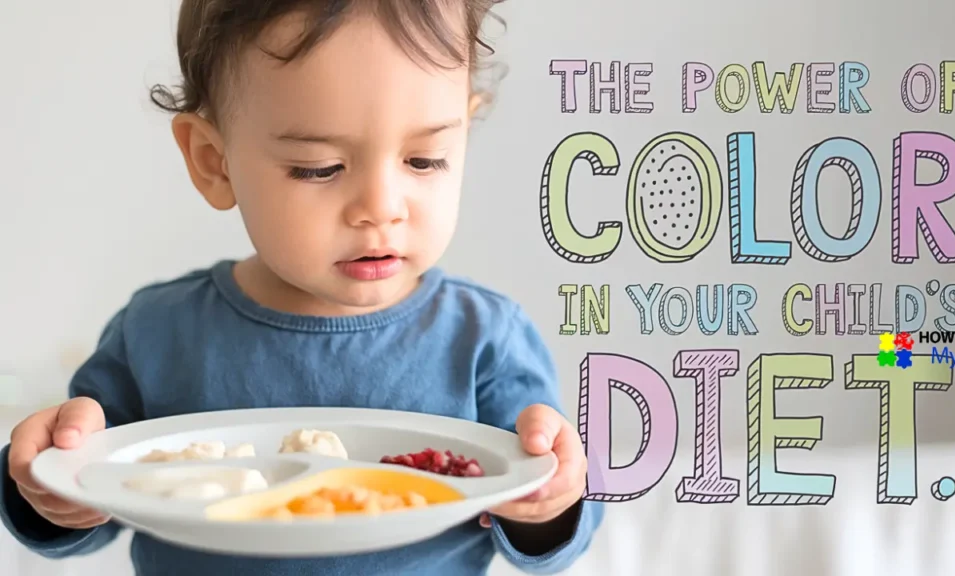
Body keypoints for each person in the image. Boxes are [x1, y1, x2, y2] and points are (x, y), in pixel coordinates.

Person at [0, 1, 603, 574]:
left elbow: (555, 513)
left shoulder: (483, 340)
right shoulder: (157, 333)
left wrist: (550, 504)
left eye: (424, 160)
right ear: (215, 162)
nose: (380, 208)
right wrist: (46, 481)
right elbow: (86, 497)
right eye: (320, 168)